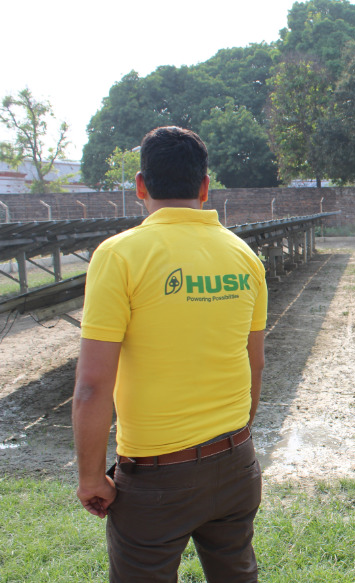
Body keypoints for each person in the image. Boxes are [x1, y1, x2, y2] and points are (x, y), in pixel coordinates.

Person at [72, 126, 268, 582]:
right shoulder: (244, 256)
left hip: (157, 477)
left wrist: (89, 477)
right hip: (237, 461)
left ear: (141, 185)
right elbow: (254, 362)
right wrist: (235, 439)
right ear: (205, 187)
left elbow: (91, 385)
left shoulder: (120, 255)